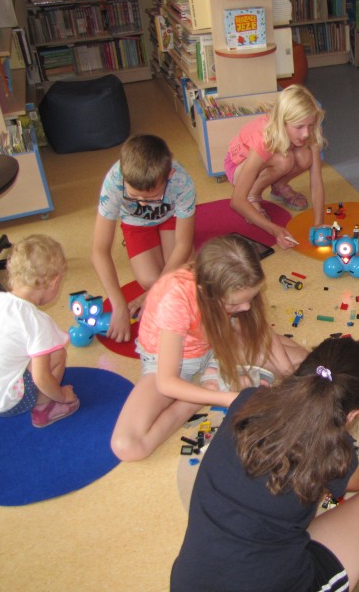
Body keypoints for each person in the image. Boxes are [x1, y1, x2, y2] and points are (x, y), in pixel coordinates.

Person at [171, 337, 359, 592]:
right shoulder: (332, 452)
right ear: (353, 415)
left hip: (189, 583)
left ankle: (357, 564)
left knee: (274, 523)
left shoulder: (249, 400)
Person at [110, 235, 306, 462]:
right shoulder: (175, 299)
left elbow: (260, 331)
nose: (246, 307)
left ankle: (208, 381)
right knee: (128, 446)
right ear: (206, 291)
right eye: (235, 303)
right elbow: (166, 381)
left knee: (301, 363)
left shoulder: (235, 282)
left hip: (216, 342)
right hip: (173, 362)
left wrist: (287, 372)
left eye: (251, 298)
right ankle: (198, 395)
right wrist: (226, 398)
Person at [0, 234, 79, 428]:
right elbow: (41, 377)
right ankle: (44, 408)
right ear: (54, 282)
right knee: (57, 353)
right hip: (6, 404)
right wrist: (63, 395)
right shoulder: (37, 322)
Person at [92, 134, 196, 343]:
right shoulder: (114, 182)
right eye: (134, 196)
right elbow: (99, 250)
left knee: (182, 276)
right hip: (136, 224)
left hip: (171, 218)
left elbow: (183, 244)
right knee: (151, 280)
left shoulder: (182, 182)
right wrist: (119, 306)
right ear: (124, 177)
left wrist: (154, 293)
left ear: (169, 175)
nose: (143, 203)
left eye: (151, 197)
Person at [225, 84, 327, 249]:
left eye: (310, 125)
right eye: (299, 127)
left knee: (304, 156)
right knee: (284, 160)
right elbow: (236, 201)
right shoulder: (263, 138)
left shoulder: (310, 130)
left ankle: (279, 186)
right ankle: (253, 194)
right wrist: (274, 230)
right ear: (282, 123)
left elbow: (316, 181)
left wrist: (319, 223)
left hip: (278, 151)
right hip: (238, 165)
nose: (306, 133)